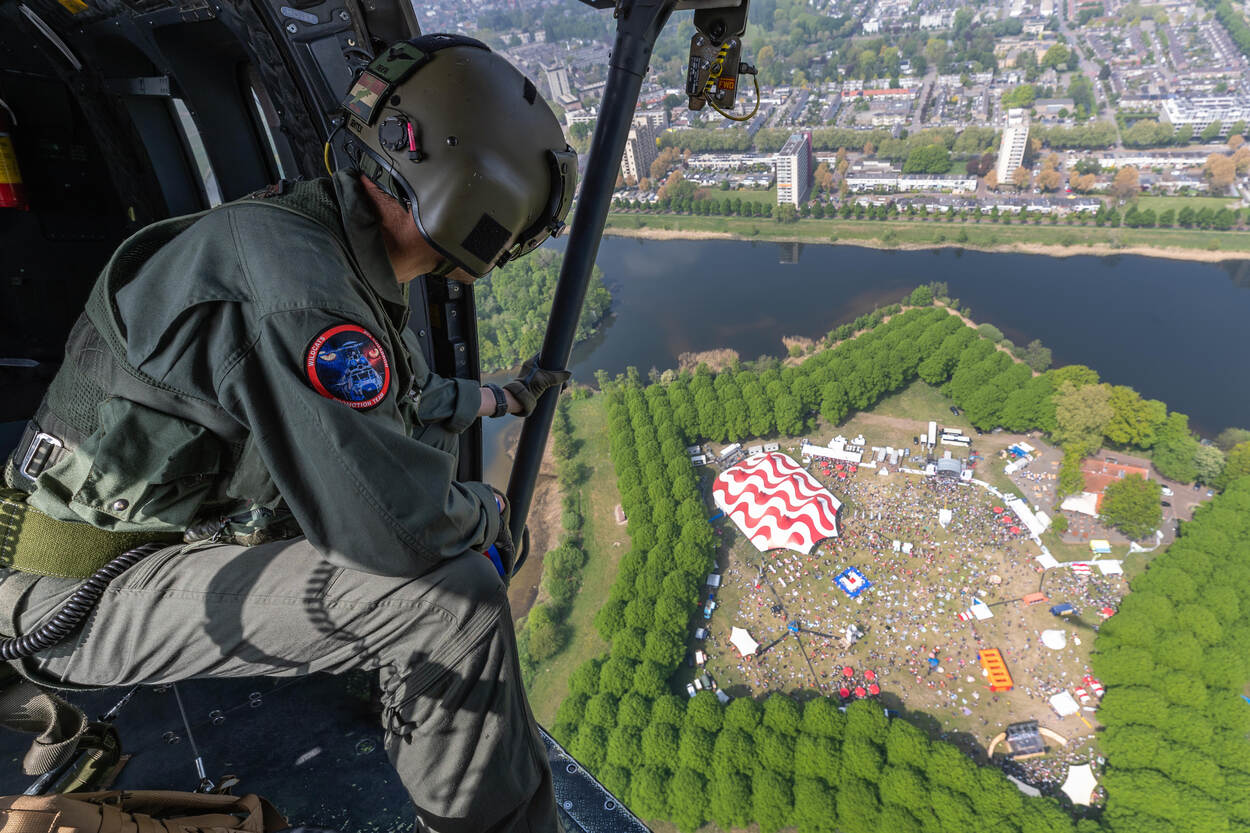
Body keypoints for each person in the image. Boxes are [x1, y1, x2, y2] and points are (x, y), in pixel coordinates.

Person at [0, 34, 573, 833]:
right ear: (482, 211)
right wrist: (491, 516)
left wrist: (501, 399)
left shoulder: (321, 241)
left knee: (422, 486)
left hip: (148, 541)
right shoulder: (305, 290)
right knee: (454, 603)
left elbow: (400, 395)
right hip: (72, 599)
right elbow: (399, 530)